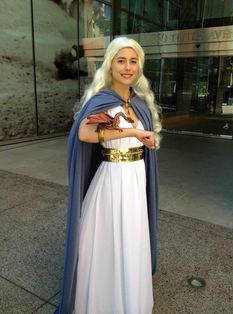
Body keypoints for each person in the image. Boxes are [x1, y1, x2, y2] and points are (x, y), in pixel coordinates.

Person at [55, 36, 162, 314]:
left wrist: (144, 141)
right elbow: (84, 133)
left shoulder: (139, 102)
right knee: (111, 239)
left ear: (139, 66)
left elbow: (139, 138)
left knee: (132, 238)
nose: (127, 67)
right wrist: (132, 132)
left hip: (135, 179)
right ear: (110, 65)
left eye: (133, 61)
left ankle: (130, 299)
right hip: (113, 180)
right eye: (121, 60)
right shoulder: (103, 100)